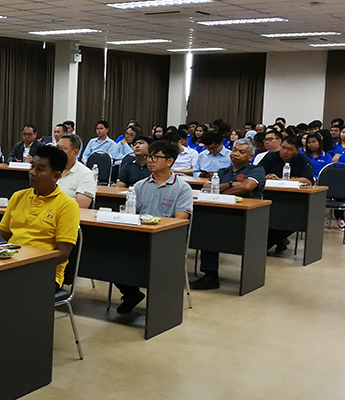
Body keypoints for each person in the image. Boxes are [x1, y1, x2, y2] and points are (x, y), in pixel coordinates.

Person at [0, 144, 80, 368]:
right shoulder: (18, 197)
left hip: (43, 273)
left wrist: (25, 262)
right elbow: (1, 237)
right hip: (9, 265)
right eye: (32, 167)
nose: (32, 173)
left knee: (7, 295)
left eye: (40, 169)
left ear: (56, 175)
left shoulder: (67, 206)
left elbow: (62, 254)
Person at [114, 140, 194, 314]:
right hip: (139, 237)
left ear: (170, 161)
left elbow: (179, 221)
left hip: (166, 241)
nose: (150, 160)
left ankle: (161, 304)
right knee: (112, 256)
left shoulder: (183, 189)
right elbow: (130, 214)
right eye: (149, 156)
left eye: (156, 157)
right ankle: (131, 293)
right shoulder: (139, 186)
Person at [189, 138, 268, 289]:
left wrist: (220, 189)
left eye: (241, 152)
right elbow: (207, 187)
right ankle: (210, 275)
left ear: (251, 156)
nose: (236, 154)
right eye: (234, 150)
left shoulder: (256, 170)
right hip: (219, 213)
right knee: (207, 229)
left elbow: (246, 187)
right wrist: (231, 184)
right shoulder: (223, 171)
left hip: (245, 217)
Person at [261, 135, 314, 254]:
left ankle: (275, 241)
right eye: (283, 147)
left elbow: (308, 180)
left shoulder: (303, 160)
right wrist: (266, 177)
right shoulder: (271, 157)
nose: (284, 152)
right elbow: (258, 173)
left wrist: (282, 180)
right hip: (270, 197)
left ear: (298, 150)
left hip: (294, 199)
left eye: (289, 149)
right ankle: (280, 241)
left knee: (292, 219)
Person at [56, 133, 96, 208]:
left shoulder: (85, 174)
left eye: (63, 148)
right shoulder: (49, 169)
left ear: (75, 152)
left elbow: (81, 206)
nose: (57, 152)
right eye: (57, 148)